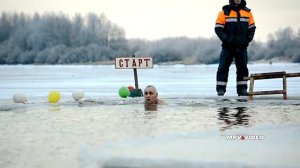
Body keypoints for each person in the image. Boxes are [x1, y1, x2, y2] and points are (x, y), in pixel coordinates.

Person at [215, 0, 256, 96]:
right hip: (227, 47)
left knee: (242, 68)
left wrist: (246, 40)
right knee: (222, 68)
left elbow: (252, 29)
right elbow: (218, 28)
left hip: (241, 47)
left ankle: (242, 90)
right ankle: (220, 90)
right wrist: (226, 40)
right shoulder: (224, 12)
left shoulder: (248, 13)